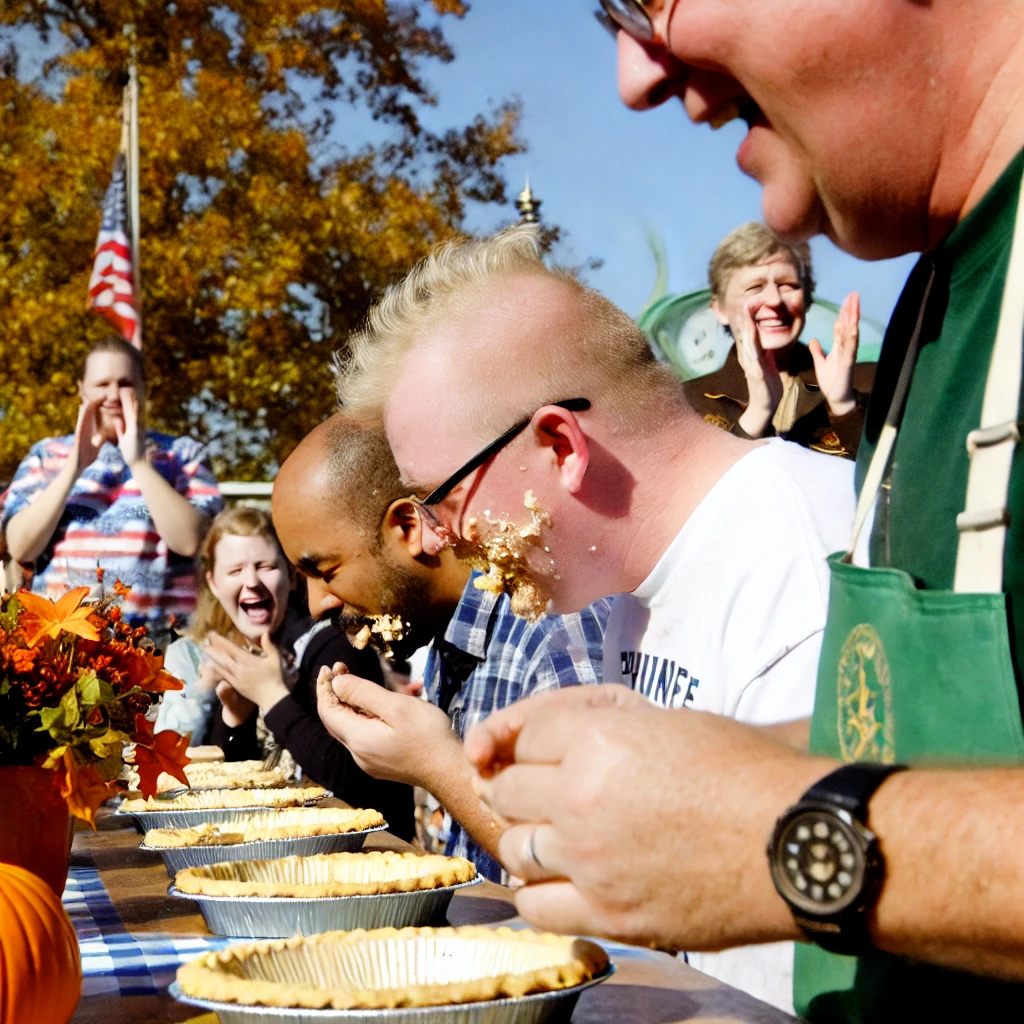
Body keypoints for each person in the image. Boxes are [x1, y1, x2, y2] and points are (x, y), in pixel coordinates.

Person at [449, 2, 1024, 1021]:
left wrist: (778, 831)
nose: (636, 75)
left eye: (654, 1)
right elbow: (948, 735)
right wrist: (684, 771)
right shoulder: (940, 290)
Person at [329, 226, 855, 1011]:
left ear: (559, 444)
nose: (441, 536)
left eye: (440, 496)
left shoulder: (800, 563)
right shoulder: (623, 600)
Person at [271, 412, 608, 881]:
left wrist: (436, 765)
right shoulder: (451, 640)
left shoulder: (552, 633)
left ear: (408, 526)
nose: (315, 606)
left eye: (324, 572)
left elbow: (595, 869)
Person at [158, 504, 416, 841]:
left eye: (265, 567)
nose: (252, 582)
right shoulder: (211, 654)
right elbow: (234, 794)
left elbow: (355, 780)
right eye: (235, 571)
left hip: (366, 852)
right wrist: (235, 718)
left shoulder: (333, 645)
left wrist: (271, 697)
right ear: (213, 582)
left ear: (291, 575)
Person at [1, 336, 222, 640]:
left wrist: (139, 463)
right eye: (102, 384)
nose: (113, 394)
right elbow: (21, 546)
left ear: (144, 389)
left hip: (161, 646)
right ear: (81, 389)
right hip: (61, 646)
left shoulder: (183, 454)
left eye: (125, 383)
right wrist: (74, 467)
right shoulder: (47, 453)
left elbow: (193, 542)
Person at [686, 222, 872, 458]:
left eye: (787, 285)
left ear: (806, 297)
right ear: (720, 309)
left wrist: (844, 408)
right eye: (754, 287)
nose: (774, 300)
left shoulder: (869, 383)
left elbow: (898, 486)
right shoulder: (687, 401)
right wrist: (758, 412)